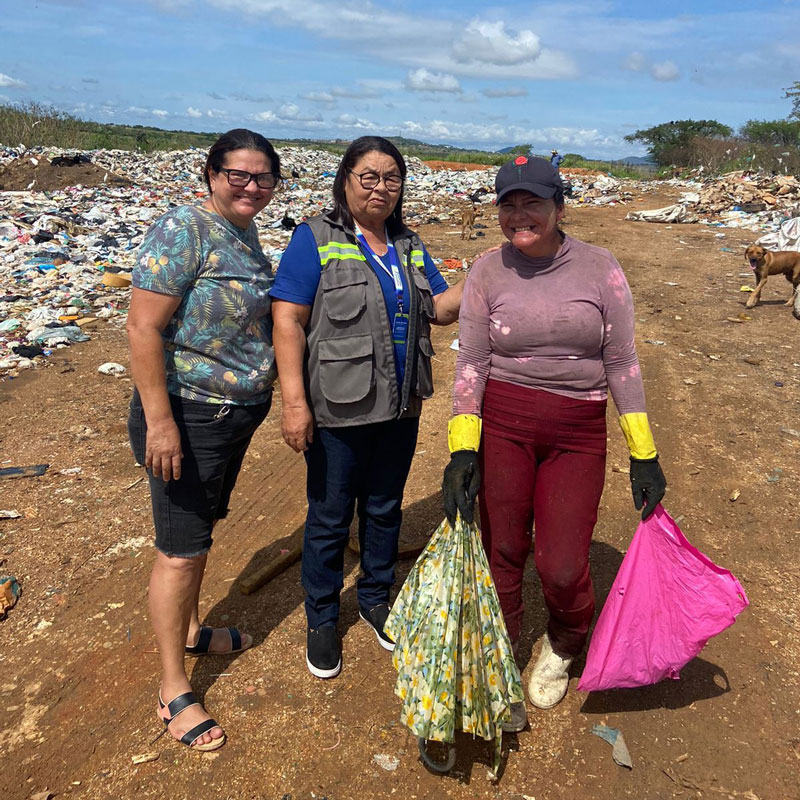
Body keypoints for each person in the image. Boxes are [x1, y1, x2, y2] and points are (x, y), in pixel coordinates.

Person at [441, 156, 666, 731]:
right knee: (502, 550)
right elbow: (471, 362)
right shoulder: (488, 271)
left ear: (559, 207)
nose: (520, 215)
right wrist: (463, 450)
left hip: (577, 429)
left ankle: (565, 641)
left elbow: (621, 361)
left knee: (563, 564)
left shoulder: (600, 268)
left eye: (533, 203)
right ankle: (502, 650)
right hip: (505, 424)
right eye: (508, 204)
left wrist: (643, 451)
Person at [271, 135, 463, 679]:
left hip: (400, 407)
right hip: (336, 410)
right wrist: (293, 404)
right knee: (331, 517)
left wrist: (492, 277)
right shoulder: (315, 238)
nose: (382, 188)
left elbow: (442, 309)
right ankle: (323, 618)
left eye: (392, 178)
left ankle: (376, 598)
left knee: (384, 508)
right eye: (369, 177)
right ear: (346, 180)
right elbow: (287, 319)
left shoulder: (409, 244)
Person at [126, 128, 281, 751]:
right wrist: (160, 423)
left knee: (201, 533)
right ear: (212, 173)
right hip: (187, 416)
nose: (250, 186)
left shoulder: (242, 232)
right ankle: (172, 687)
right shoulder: (183, 229)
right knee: (179, 550)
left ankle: (192, 628)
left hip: (232, 416)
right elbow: (142, 328)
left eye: (262, 177)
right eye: (238, 175)